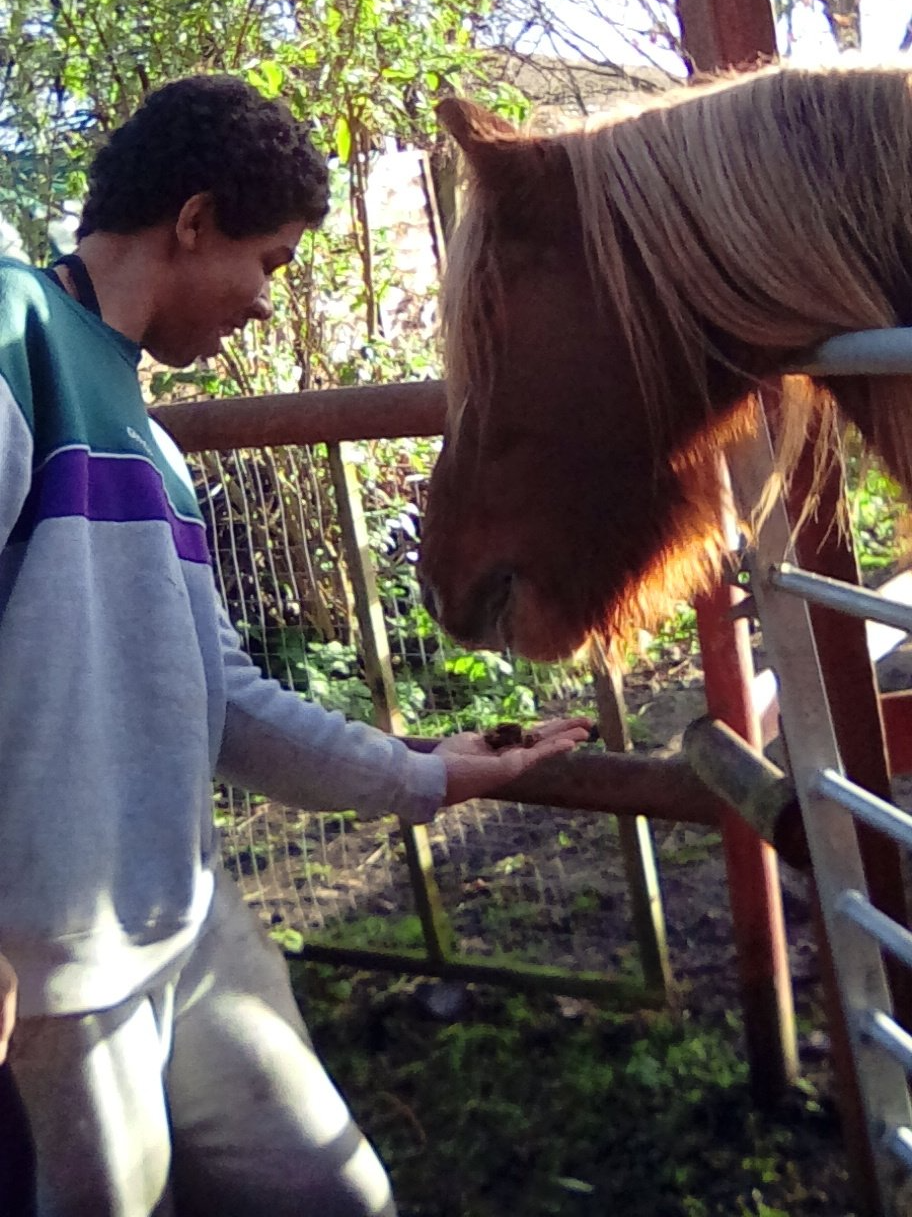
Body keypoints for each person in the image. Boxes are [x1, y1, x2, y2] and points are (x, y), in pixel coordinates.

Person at [0, 75, 589, 1217]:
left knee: (338, 1192)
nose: (267, 304)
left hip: (186, 920)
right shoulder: (14, 333)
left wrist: (424, 771)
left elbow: (220, 695)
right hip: (57, 962)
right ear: (193, 219)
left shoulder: (156, 448)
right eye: (269, 262)